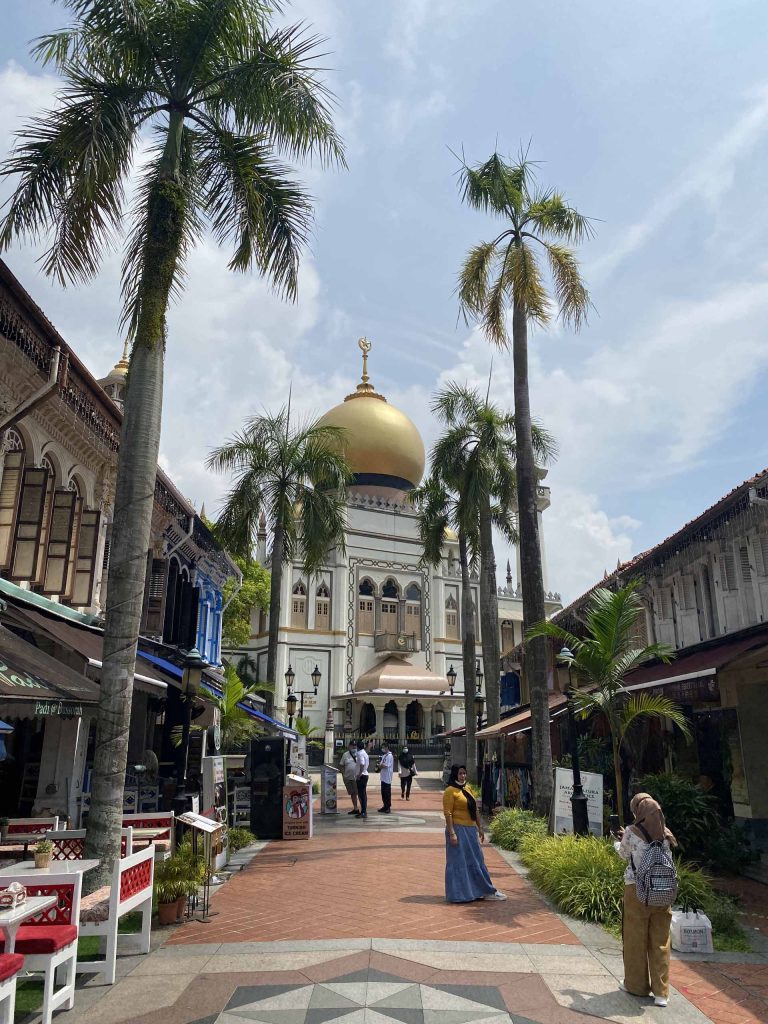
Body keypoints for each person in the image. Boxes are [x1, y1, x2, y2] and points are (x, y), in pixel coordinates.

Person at [616, 792, 677, 1008]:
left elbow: (623, 855)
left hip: (637, 891)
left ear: (637, 811)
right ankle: (661, 993)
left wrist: (621, 840)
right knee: (660, 941)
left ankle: (636, 985)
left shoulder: (632, 831)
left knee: (635, 939)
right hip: (663, 891)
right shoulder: (666, 833)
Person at [442, 765, 506, 903]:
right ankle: (459, 894)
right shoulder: (450, 791)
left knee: (476, 860)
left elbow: (475, 810)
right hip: (458, 830)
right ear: (455, 775)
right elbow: (448, 813)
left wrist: (480, 827)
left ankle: (484, 890)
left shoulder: (467, 788)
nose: (463, 776)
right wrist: (452, 833)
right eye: (460, 773)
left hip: (470, 831)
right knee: (458, 862)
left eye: (464, 773)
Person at [339, 740, 359, 815]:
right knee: (352, 793)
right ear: (349, 746)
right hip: (348, 777)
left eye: (355, 746)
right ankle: (355, 808)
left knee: (359, 793)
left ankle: (363, 809)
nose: (354, 747)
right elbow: (341, 765)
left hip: (357, 778)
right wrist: (343, 775)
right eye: (352, 745)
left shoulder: (359, 754)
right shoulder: (345, 755)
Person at [355, 738, 370, 819]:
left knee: (361, 795)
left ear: (357, 747)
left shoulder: (359, 753)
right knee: (363, 794)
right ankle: (364, 811)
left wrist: (359, 775)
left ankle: (363, 812)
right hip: (365, 774)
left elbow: (362, 764)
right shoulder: (365, 753)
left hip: (362, 776)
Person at [378, 742, 394, 813]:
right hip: (383, 777)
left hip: (387, 777)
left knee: (387, 793)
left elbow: (385, 765)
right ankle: (384, 806)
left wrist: (380, 765)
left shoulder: (389, 756)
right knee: (383, 793)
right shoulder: (384, 755)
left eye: (383, 747)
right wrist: (379, 765)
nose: (382, 749)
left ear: (387, 747)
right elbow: (381, 764)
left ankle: (388, 807)